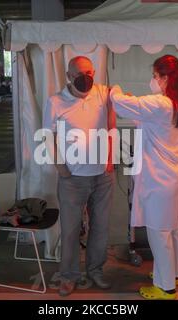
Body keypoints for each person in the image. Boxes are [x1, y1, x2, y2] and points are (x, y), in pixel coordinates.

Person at [110, 55, 178, 300]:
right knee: (174, 229)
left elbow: (122, 104)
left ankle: (166, 288)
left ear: (166, 78)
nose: (153, 80)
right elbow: (145, 118)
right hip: (174, 175)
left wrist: (114, 89)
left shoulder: (161, 103)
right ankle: (173, 274)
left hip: (161, 180)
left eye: (156, 76)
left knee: (159, 233)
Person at [43, 56, 116, 297]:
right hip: (73, 179)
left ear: (94, 72)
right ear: (68, 76)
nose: (85, 79)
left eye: (89, 73)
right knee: (71, 229)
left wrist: (109, 159)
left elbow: (112, 121)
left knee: (101, 228)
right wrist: (61, 168)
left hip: (102, 177)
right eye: (78, 75)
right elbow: (47, 136)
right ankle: (68, 276)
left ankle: (95, 270)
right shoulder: (55, 101)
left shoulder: (103, 93)